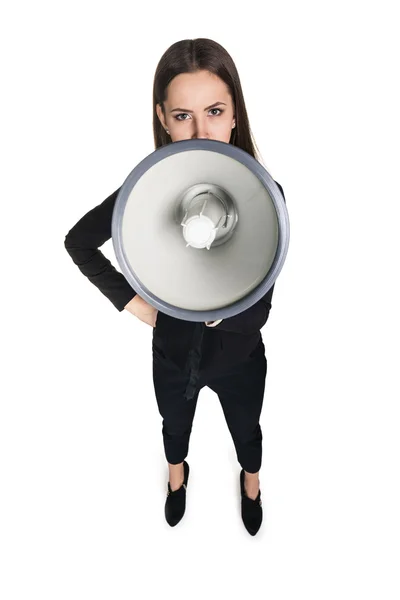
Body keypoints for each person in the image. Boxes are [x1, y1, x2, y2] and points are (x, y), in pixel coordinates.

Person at [64, 38, 286, 536]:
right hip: (170, 354)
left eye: (214, 110)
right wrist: (139, 306)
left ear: (234, 115)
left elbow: (261, 308)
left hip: (240, 358)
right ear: (163, 118)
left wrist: (214, 307)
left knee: (247, 429)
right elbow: (79, 241)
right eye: (183, 115)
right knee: (174, 428)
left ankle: (251, 481)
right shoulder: (143, 196)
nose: (202, 130)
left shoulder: (267, 199)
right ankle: (176, 476)